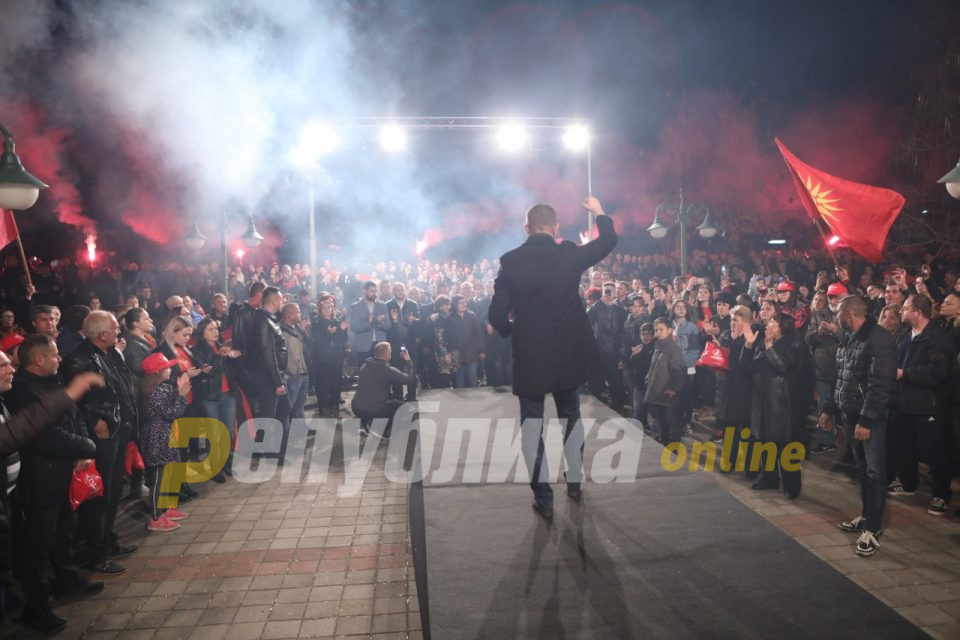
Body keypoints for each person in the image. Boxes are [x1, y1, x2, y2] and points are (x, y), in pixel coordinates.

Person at [489, 196, 617, 517]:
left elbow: (497, 315)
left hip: (531, 356)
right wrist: (599, 213)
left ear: (527, 227)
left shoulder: (510, 261)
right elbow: (609, 242)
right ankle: (574, 480)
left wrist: (512, 331)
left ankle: (544, 498)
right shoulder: (569, 254)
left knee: (532, 426)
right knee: (571, 416)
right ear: (555, 226)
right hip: (567, 354)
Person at [4, 335, 101, 632]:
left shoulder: (53, 381)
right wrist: (84, 446)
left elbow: (73, 415)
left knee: (63, 530)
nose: (60, 360)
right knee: (39, 545)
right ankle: (38, 607)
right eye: (55, 355)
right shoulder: (22, 391)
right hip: (40, 478)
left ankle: (67, 581)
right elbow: (42, 433)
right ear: (38, 360)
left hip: (61, 471)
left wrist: (82, 446)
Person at [60, 311, 140, 574]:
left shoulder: (112, 353)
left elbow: (124, 387)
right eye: (116, 327)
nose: (120, 330)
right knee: (100, 495)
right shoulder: (77, 360)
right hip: (103, 435)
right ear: (102, 333)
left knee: (114, 489)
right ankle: (96, 552)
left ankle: (109, 540)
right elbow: (73, 400)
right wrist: (94, 419)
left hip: (120, 429)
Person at [820, 295, 897, 557]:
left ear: (850, 313)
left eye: (838, 312)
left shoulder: (879, 339)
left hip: (868, 418)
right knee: (862, 469)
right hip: (850, 412)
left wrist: (867, 420)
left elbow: (881, 385)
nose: (835, 316)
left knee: (875, 471)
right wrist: (830, 408)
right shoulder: (849, 337)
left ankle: (874, 528)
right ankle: (867, 517)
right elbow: (841, 376)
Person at [888, 294, 954, 516]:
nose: (901, 312)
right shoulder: (906, 335)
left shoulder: (939, 340)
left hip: (927, 405)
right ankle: (907, 483)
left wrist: (904, 374)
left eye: (905, 308)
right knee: (904, 446)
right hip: (904, 402)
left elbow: (936, 372)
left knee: (933, 451)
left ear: (917, 313)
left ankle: (941, 494)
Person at [749, 314, 802, 498]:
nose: (768, 324)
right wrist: (750, 345)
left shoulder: (793, 344)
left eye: (773, 322)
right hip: (762, 399)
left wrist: (770, 346)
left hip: (780, 401)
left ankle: (792, 486)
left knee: (785, 445)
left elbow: (782, 366)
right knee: (765, 442)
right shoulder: (762, 341)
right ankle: (769, 478)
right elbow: (749, 366)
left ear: (782, 326)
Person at [138, 353, 191, 531]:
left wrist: (178, 390)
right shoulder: (154, 392)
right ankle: (155, 517)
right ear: (158, 372)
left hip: (164, 436)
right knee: (158, 479)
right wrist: (182, 396)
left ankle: (166, 509)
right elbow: (171, 413)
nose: (170, 370)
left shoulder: (161, 388)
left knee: (167, 476)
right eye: (167, 367)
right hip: (157, 438)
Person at [191, 317, 241, 482]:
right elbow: (207, 371)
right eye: (210, 330)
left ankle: (226, 463)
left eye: (215, 329)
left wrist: (234, 355)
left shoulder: (221, 347)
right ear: (202, 333)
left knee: (227, 433)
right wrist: (220, 357)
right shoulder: (198, 350)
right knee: (213, 434)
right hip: (210, 397)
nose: (215, 332)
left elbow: (231, 369)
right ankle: (215, 468)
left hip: (228, 395)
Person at [351, 342, 415, 439]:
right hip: (373, 410)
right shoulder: (388, 370)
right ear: (387, 355)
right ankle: (383, 430)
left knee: (387, 399)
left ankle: (365, 422)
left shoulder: (364, 365)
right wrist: (408, 361)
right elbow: (409, 379)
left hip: (356, 408)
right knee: (404, 408)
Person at [244, 286, 288, 423]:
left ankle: (281, 443)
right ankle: (269, 444)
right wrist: (277, 383)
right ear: (275, 301)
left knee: (282, 413)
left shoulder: (268, 318)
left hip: (272, 376)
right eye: (281, 299)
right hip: (268, 379)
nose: (283, 302)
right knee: (269, 419)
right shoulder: (263, 321)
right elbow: (268, 354)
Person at [805, 291, 840, 454]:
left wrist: (836, 331)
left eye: (835, 297)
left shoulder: (846, 314)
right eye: (831, 297)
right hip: (823, 367)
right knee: (823, 405)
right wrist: (818, 333)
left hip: (843, 367)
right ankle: (827, 441)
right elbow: (808, 338)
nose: (833, 300)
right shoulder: (818, 316)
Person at [644, 317, 687, 445]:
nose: (658, 332)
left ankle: (672, 451)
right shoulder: (657, 347)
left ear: (669, 330)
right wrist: (648, 381)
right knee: (662, 424)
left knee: (671, 424)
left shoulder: (673, 349)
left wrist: (674, 389)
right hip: (657, 393)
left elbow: (679, 371)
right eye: (656, 330)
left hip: (667, 394)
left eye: (661, 329)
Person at [586, 282, 628, 410]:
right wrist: (598, 303)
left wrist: (622, 356)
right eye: (606, 291)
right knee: (595, 382)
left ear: (615, 292)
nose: (608, 294)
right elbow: (587, 319)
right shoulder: (596, 308)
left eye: (610, 291)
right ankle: (596, 407)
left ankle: (618, 407)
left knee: (616, 382)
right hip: (599, 351)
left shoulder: (621, 310)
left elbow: (624, 334)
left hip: (614, 352)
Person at [311, 299, 348, 418]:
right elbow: (317, 341)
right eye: (324, 308)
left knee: (336, 383)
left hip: (336, 358)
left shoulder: (337, 322)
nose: (327, 310)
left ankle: (335, 405)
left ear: (333, 309)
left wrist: (342, 330)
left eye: (329, 307)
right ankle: (324, 407)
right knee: (323, 384)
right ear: (320, 310)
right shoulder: (317, 323)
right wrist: (329, 334)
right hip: (323, 359)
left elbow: (342, 340)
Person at [279, 302, 311, 437]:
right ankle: (285, 435)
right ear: (289, 314)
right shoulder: (281, 331)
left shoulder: (297, 327)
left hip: (303, 372)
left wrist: (304, 330)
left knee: (299, 405)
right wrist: (287, 372)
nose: (300, 313)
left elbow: (307, 344)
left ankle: (300, 430)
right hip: (292, 375)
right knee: (288, 407)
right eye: (297, 311)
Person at [386, 283, 419, 400]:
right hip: (395, 344)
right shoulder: (388, 305)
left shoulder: (413, 304)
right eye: (397, 290)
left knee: (411, 371)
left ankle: (411, 396)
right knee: (396, 371)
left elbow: (418, 324)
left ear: (405, 291)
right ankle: (398, 398)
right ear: (393, 292)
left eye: (402, 290)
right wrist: (394, 321)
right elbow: (386, 327)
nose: (400, 292)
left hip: (409, 344)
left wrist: (412, 321)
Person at [348, 281, 392, 367]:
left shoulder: (382, 306)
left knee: (381, 374)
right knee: (365, 374)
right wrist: (369, 322)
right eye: (371, 291)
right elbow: (354, 327)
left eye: (375, 291)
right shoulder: (356, 307)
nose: (374, 293)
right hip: (363, 346)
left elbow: (388, 326)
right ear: (364, 291)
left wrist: (380, 322)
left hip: (380, 346)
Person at [448, 294, 486, 389]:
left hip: (472, 354)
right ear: (454, 305)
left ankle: (473, 403)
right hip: (456, 355)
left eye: (464, 302)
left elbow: (479, 334)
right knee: (459, 383)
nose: (463, 304)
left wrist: (482, 351)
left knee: (472, 381)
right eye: (460, 303)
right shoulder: (450, 317)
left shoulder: (471, 315)